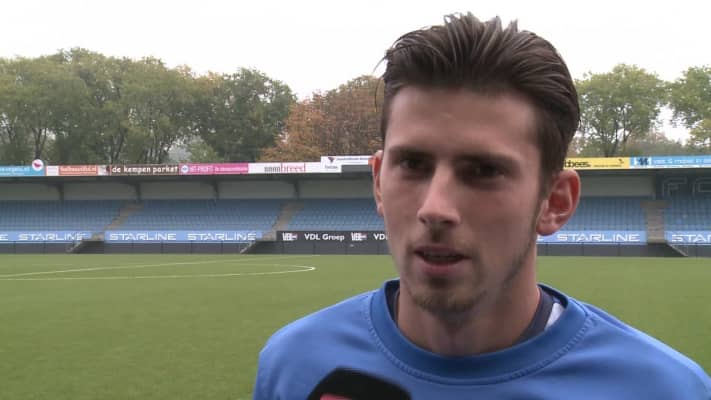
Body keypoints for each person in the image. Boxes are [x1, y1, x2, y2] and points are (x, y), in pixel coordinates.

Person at [253, 13, 711, 399]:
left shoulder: (664, 389)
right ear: (377, 181)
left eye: (484, 171)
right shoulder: (295, 366)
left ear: (555, 202)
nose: (435, 208)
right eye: (412, 164)